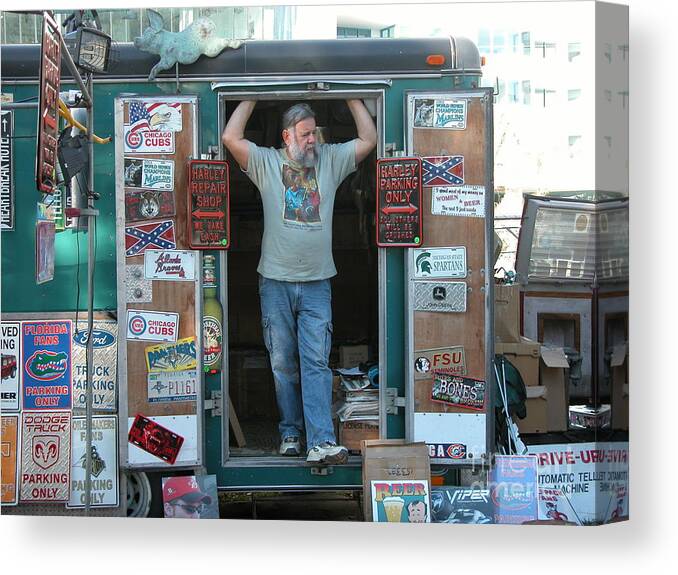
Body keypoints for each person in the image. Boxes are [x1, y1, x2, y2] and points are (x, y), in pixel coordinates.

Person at [222, 100, 376, 464]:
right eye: (305, 134)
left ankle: (320, 440)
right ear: (286, 136)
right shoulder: (266, 162)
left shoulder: (331, 160)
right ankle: (290, 433)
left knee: (316, 362)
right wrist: (250, 94)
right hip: (274, 281)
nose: (312, 140)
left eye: (315, 133)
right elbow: (230, 136)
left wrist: (352, 96)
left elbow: (368, 138)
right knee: (283, 365)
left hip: (318, 282)